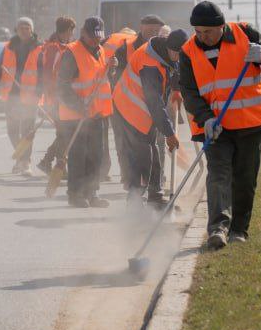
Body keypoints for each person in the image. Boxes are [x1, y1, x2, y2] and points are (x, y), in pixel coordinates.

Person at [178, 0, 261, 250]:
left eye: (208, 32)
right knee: (218, 175)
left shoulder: (246, 33)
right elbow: (189, 92)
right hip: (215, 128)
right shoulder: (188, 51)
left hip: (250, 123)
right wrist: (206, 119)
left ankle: (239, 230)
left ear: (221, 26)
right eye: (198, 32)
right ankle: (218, 229)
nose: (203, 37)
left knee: (245, 179)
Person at [113, 27, 187, 209]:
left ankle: (155, 197)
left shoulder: (166, 51)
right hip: (130, 106)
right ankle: (135, 200)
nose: (180, 58)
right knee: (142, 155)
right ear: (171, 49)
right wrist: (170, 133)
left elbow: (175, 68)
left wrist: (176, 89)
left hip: (142, 106)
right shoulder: (150, 66)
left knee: (152, 150)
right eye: (179, 54)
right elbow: (155, 104)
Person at [56, 17, 112, 208]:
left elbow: (99, 78)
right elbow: (62, 87)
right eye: (93, 37)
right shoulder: (71, 53)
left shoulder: (101, 50)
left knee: (95, 155)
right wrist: (80, 106)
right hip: (75, 116)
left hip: (96, 114)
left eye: (99, 37)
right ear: (83, 33)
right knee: (78, 156)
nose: (97, 40)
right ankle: (75, 194)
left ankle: (92, 193)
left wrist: (110, 69)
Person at [109, 14, 165, 184]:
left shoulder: (161, 48)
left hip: (151, 105)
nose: (153, 33)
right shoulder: (125, 48)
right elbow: (114, 78)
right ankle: (130, 179)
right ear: (141, 27)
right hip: (125, 106)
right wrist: (112, 69)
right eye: (150, 29)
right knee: (125, 144)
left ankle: (155, 181)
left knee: (153, 144)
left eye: (156, 30)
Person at [0, 17, 42, 174]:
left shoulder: (39, 48)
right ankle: (21, 158)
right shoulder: (8, 47)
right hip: (12, 95)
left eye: (27, 27)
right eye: (21, 27)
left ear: (32, 30)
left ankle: (25, 161)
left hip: (30, 95)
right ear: (16, 30)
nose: (24, 30)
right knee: (12, 130)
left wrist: (39, 92)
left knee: (27, 131)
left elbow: (43, 71)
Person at [35, 16, 77, 177]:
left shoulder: (62, 46)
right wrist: (53, 98)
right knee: (64, 133)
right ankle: (57, 165)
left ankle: (47, 161)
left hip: (62, 98)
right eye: (71, 31)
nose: (72, 35)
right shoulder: (53, 49)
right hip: (56, 99)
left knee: (64, 132)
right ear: (66, 31)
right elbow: (50, 76)